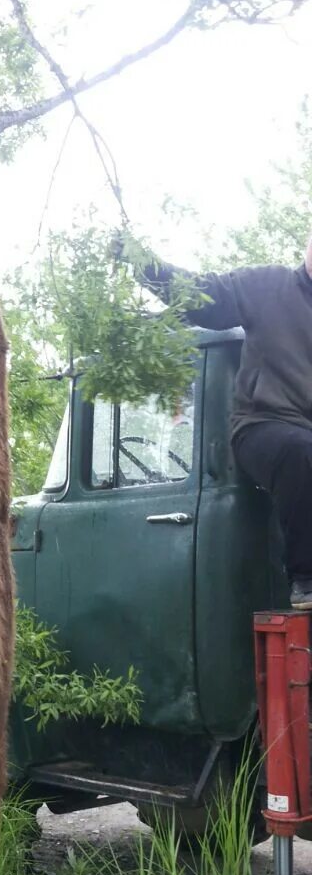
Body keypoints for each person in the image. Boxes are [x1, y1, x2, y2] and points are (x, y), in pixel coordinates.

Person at [128, 232, 312, 610]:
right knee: (301, 451)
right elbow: (201, 295)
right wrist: (142, 262)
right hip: (263, 426)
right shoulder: (268, 286)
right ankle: (306, 580)